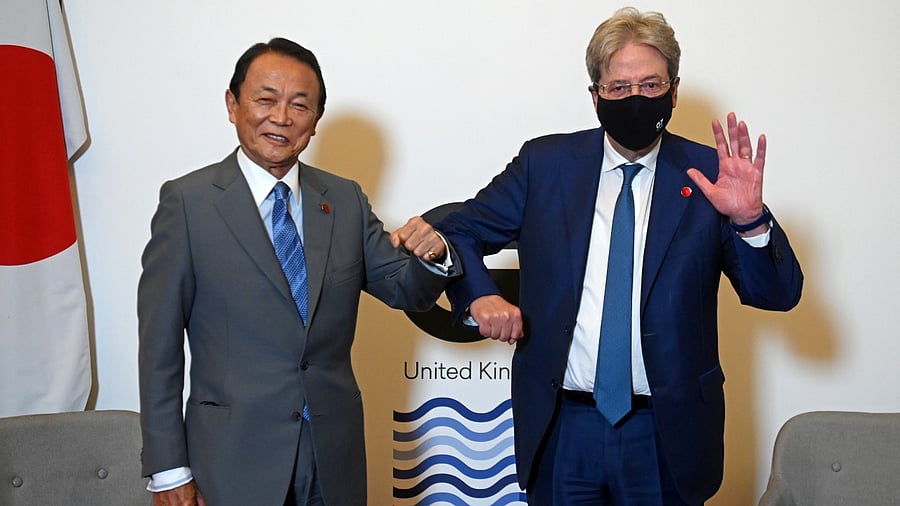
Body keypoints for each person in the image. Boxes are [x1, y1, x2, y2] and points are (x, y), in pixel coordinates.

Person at [434, 7, 803, 505]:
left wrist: (750, 220)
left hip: (667, 435)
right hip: (563, 428)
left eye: (650, 85)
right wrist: (480, 297)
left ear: (674, 90)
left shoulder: (711, 174)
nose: (635, 99)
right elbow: (459, 231)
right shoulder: (546, 165)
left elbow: (777, 295)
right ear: (595, 95)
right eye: (619, 87)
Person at [138, 37, 459, 506]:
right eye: (266, 99)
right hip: (231, 462)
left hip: (333, 460)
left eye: (300, 105)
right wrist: (168, 471)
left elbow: (404, 288)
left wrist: (435, 255)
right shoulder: (187, 203)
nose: (282, 117)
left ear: (315, 119)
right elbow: (159, 348)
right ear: (232, 104)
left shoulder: (345, 200)